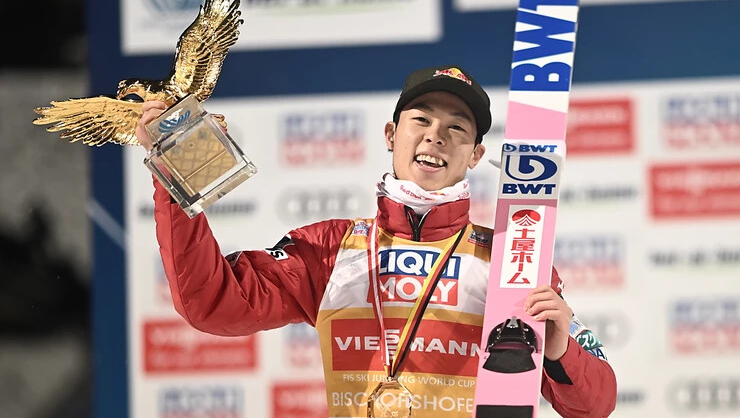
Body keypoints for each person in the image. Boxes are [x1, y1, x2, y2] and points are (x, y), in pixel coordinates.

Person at [137, 65, 617, 418]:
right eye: (422, 121)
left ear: (475, 155)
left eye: (456, 129)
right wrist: (175, 173)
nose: (436, 138)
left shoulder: (513, 259)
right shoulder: (329, 249)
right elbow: (213, 303)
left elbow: (597, 405)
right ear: (391, 134)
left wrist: (559, 349)